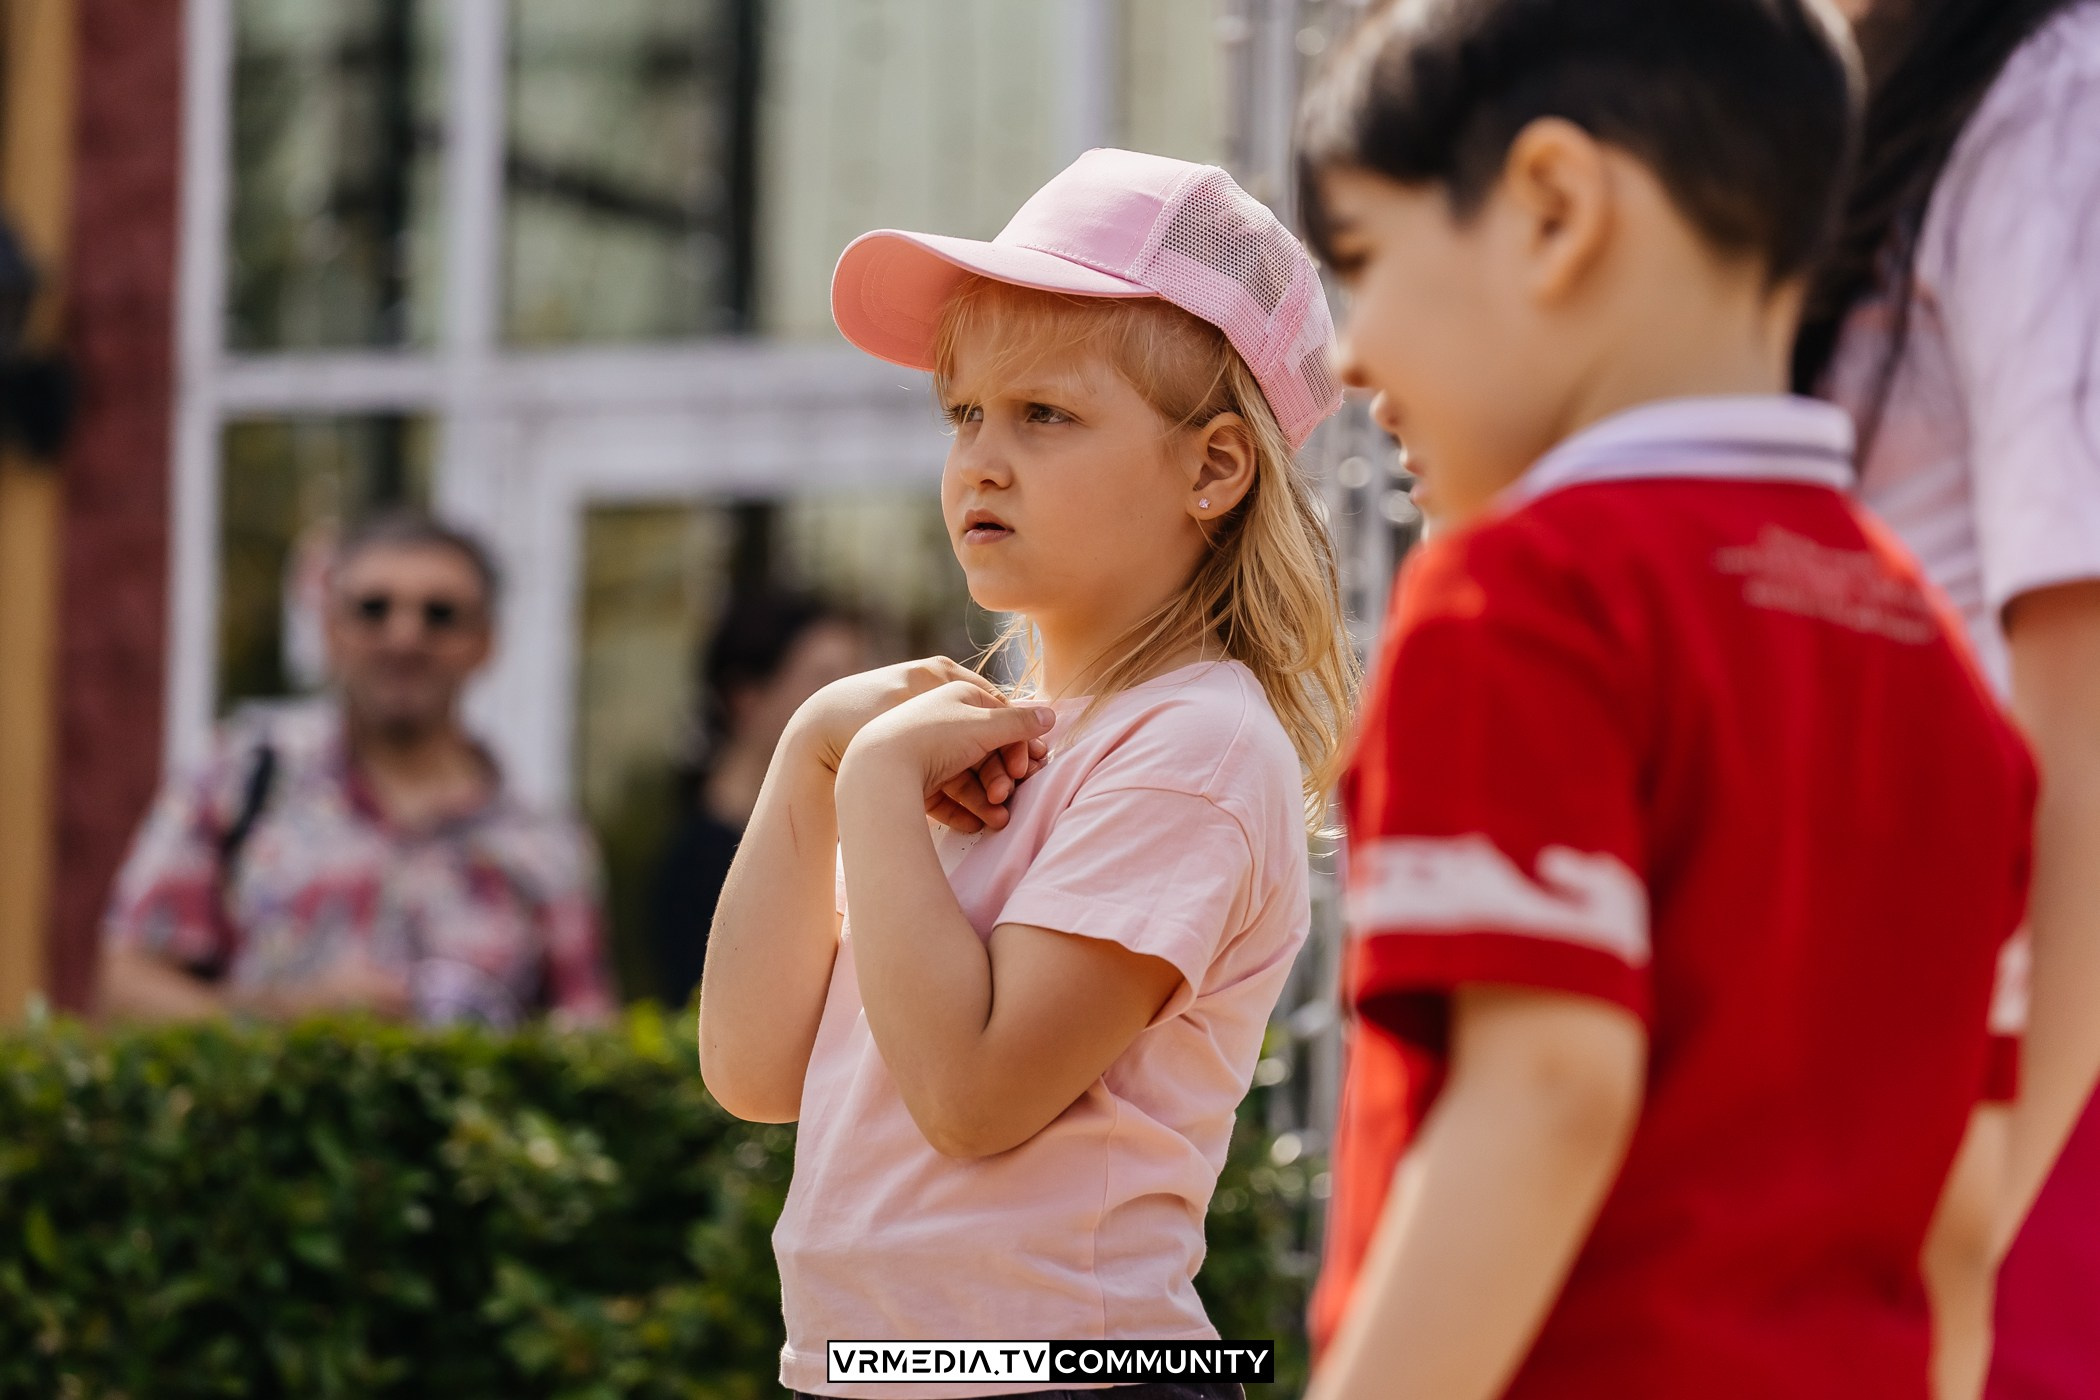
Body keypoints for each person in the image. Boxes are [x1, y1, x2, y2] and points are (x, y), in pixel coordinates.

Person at [1294, 3, 2036, 1396]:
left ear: (1555, 211)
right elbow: (1962, 1212)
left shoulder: (1517, 601)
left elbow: (1547, 1093)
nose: (1350, 357)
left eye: (1366, 262)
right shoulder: (1944, 675)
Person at [697, 148, 1355, 1399]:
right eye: (964, 414)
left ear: (1214, 468)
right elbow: (750, 1068)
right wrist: (812, 752)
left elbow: (973, 1095)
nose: (981, 462)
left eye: (1044, 414)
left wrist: (873, 785)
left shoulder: (1195, 743)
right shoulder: (981, 739)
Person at [1795, 3, 2100, 1394]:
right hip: (1882, 1086)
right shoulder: (1840, 88)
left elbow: (2084, 716)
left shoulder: (2054, 96)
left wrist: (1977, 1236)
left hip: (2013, 1097)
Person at [98, 512, 614, 1029]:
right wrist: (287, 1018)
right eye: (373, 610)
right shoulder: (242, 778)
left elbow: (584, 1041)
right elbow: (124, 987)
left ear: (486, 642)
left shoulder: (543, 846)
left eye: (440, 615)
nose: (404, 637)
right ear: (329, 629)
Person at [652, 589, 869, 1006]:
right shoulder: (699, 864)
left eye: (859, 675)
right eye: (826, 679)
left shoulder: (847, 827)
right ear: (747, 698)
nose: (856, 699)